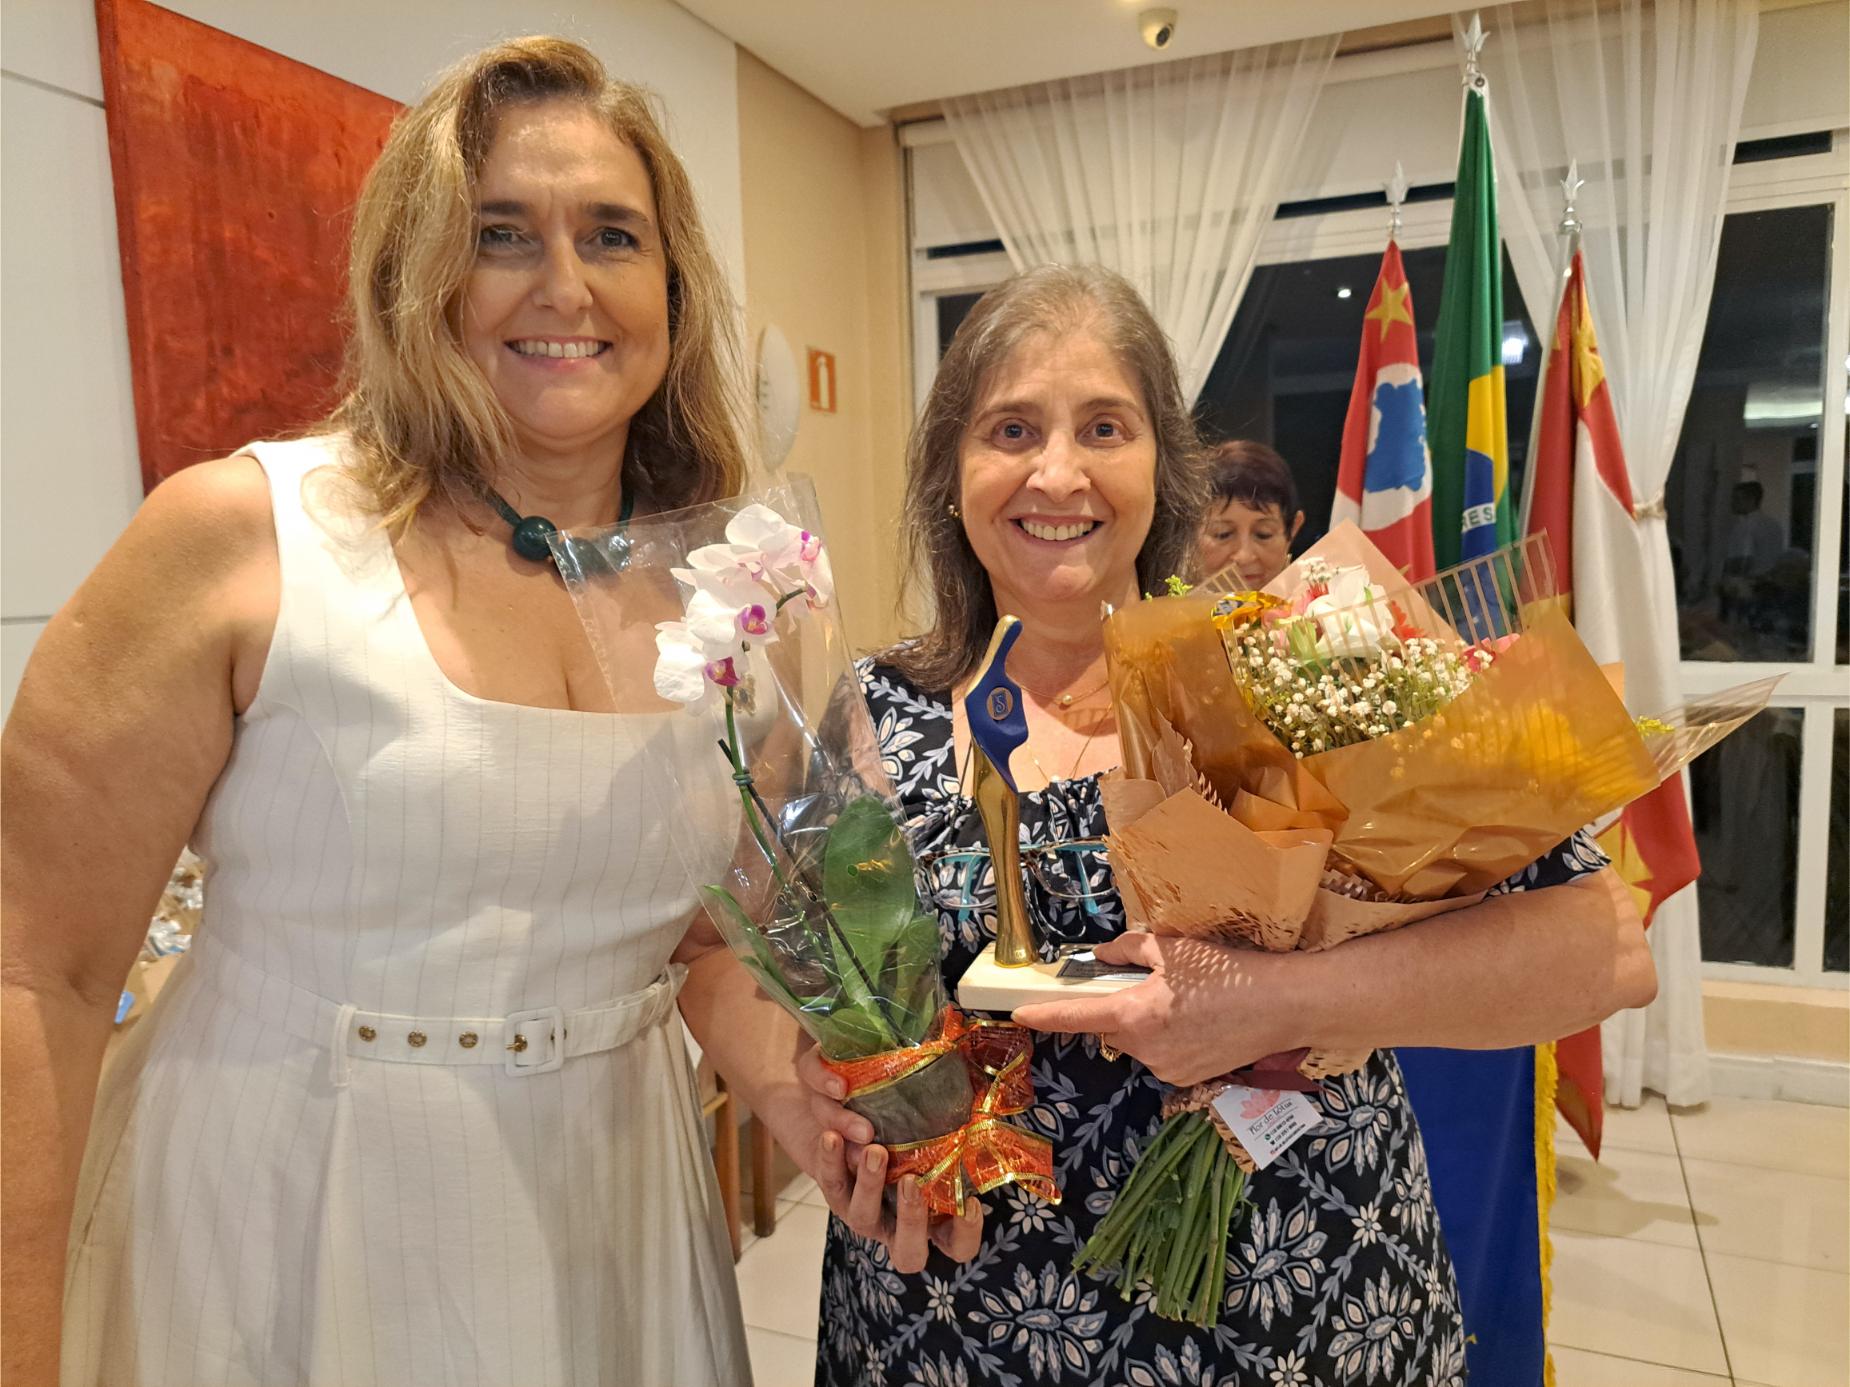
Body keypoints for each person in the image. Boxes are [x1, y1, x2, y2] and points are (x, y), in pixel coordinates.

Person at [1, 37, 907, 1387]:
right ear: (413, 274)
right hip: (282, 1223)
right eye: (500, 235)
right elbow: (38, 975)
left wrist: (796, 1090)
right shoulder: (246, 537)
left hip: (612, 1224)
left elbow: (708, 937)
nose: (565, 285)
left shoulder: (728, 590)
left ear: (670, 286)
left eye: (612, 234)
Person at [800, 264, 1655, 1385]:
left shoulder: (1301, 654)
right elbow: (803, 988)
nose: (1056, 471)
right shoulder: (869, 714)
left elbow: (1605, 949)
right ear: (948, 471)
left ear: (1164, 466)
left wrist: (1275, 999)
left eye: (1102, 426)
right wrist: (832, 1101)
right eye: (1011, 429)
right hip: (956, 1317)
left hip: (1289, 1300)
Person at [1196, 438, 1305, 588]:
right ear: (1187, 535)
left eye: (1263, 534)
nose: (1244, 556)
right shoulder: (1164, 598)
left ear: (1293, 529)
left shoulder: (1327, 597)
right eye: (1223, 534)